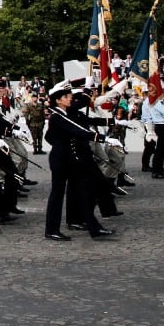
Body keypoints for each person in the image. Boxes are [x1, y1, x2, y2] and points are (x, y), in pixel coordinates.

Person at [44, 81, 113, 241]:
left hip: (72, 159)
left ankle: (94, 228)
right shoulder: (57, 116)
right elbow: (75, 129)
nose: (70, 99)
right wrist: (100, 137)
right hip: (60, 161)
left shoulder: (65, 113)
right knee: (57, 194)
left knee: (83, 192)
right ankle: (51, 229)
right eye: (67, 97)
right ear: (58, 100)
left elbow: (80, 125)